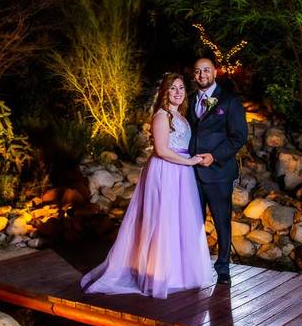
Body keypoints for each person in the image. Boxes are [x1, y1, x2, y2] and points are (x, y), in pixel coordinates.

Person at [80, 73, 217, 298]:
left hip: (182, 171)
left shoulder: (180, 116)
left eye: (181, 88)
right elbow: (162, 151)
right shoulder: (161, 116)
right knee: (163, 219)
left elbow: (182, 144)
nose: (178, 92)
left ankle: (180, 273)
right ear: (165, 92)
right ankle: (161, 274)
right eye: (173, 88)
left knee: (181, 220)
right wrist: (189, 161)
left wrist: (195, 157)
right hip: (166, 170)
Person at [188, 57, 248, 285]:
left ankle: (223, 268)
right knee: (194, 220)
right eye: (197, 71)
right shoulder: (191, 100)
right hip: (192, 173)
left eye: (206, 70)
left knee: (222, 220)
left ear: (215, 72)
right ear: (194, 75)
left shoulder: (230, 101)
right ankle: (194, 265)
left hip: (218, 172)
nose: (202, 74)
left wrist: (214, 156)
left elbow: (239, 136)